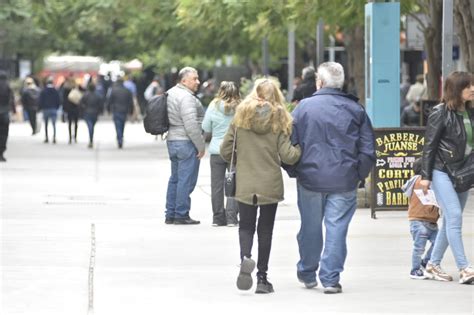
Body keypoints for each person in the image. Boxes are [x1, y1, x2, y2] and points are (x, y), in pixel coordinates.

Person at [287, 62, 375, 294]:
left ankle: (307, 271)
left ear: (320, 82)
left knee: (310, 227)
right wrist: (359, 175)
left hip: (310, 179)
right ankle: (330, 278)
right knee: (337, 228)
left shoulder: (303, 108)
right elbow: (367, 149)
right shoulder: (356, 110)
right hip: (344, 179)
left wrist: (294, 170)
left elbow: (288, 144)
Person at [220, 78, 301, 294]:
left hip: (245, 181)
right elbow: (288, 156)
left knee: (245, 227)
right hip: (269, 183)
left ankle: (246, 257)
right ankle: (263, 279)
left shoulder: (240, 117)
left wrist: (241, 159)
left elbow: (225, 151)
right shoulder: (280, 118)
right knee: (265, 231)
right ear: (275, 95)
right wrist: (300, 149)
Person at [420, 71, 474, 284]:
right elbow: (429, 146)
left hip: (463, 172)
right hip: (442, 170)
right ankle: (465, 268)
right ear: (455, 90)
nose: (472, 89)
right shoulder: (440, 112)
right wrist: (426, 176)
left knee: (451, 220)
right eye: (467, 86)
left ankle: (432, 265)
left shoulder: (470, 112)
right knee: (454, 216)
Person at [165, 67, 205, 225]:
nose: (198, 82)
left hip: (172, 141)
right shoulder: (186, 97)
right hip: (185, 142)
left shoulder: (170, 93)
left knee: (175, 179)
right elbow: (191, 125)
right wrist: (200, 146)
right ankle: (181, 214)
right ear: (184, 81)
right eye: (194, 79)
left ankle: (171, 213)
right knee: (185, 180)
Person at [202, 81, 240, 227]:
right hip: (234, 151)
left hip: (216, 151)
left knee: (216, 185)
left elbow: (205, 127)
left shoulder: (213, 105)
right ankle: (231, 218)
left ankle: (217, 218)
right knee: (234, 183)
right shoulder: (240, 107)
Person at [401, 159, 439, 279]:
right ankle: (415, 270)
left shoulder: (422, 181)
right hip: (419, 220)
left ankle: (425, 261)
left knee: (438, 243)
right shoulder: (420, 181)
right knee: (419, 247)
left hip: (431, 220)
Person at [106, 77, 134, 149]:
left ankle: (119, 138)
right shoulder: (127, 91)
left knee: (118, 125)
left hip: (116, 110)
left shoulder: (114, 91)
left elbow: (109, 101)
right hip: (124, 111)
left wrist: (108, 110)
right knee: (122, 125)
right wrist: (131, 111)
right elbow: (131, 102)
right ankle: (120, 137)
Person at [80, 82, 104, 148]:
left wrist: (82, 111)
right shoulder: (98, 95)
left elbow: (81, 103)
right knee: (92, 126)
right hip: (95, 113)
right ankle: (91, 139)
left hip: (87, 112)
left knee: (90, 126)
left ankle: (91, 140)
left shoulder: (86, 95)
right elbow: (101, 104)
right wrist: (100, 111)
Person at [39, 77, 61, 144]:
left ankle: (46, 137)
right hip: (53, 109)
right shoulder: (55, 90)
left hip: (46, 109)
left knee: (46, 124)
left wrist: (41, 107)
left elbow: (41, 100)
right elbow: (58, 100)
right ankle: (54, 137)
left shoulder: (43, 91)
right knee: (54, 124)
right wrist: (57, 107)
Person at [0, 71, 16, 162]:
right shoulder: (8, 87)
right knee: (4, 134)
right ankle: (1, 153)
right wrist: (13, 111)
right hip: (5, 113)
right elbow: (12, 100)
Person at [62, 75, 81, 144]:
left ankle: (70, 137)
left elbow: (64, 99)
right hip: (76, 108)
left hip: (69, 108)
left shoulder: (66, 89)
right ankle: (75, 137)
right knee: (76, 123)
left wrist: (64, 109)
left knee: (69, 123)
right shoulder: (77, 88)